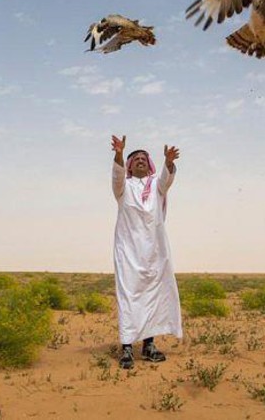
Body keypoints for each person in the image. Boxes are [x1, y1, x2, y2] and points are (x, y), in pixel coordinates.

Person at [110, 135, 182, 369]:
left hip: (155, 253)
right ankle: (127, 348)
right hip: (128, 253)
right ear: (130, 166)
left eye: (144, 158)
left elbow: (166, 179)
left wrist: (168, 162)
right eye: (135, 159)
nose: (140, 161)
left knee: (153, 298)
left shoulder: (156, 187)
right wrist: (120, 153)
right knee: (129, 298)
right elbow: (117, 175)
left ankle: (149, 346)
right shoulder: (123, 188)